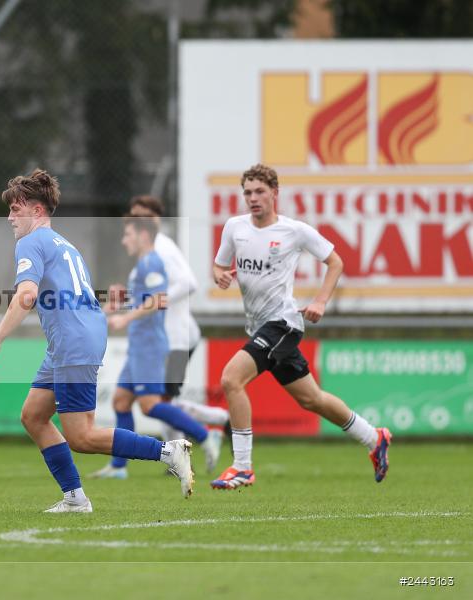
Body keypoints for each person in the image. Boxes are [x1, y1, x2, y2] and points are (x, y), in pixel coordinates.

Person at [0, 169, 194, 512]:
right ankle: (75, 498)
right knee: (33, 416)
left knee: (81, 436)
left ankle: (169, 452)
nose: (10, 218)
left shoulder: (31, 242)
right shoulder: (64, 244)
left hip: (73, 342)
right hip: (74, 339)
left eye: (15, 209)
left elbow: (27, 294)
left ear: (37, 210)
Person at [210, 164, 390, 490]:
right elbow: (220, 265)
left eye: (260, 191)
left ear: (274, 193)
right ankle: (374, 437)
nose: (253, 198)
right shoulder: (234, 227)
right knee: (312, 399)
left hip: (283, 324)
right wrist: (219, 274)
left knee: (230, 378)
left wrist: (320, 301)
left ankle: (242, 467)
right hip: (259, 327)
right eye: (248, 192)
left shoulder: (294, 231)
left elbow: (335, 262)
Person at [91, 215, 221, 480]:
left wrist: (125, 317)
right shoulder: (142, 265)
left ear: (142, 235)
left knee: (150, 405)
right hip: (139, 343)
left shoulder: (151, 262)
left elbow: (158, 300)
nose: (124, 239)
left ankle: (205, 435)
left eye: (128, 234)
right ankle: (118, 467)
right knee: (121, 401)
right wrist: (124, 302)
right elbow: (146, 299)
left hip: (149, 344)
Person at [128, 196, 230, 448]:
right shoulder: (147, 250)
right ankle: (218, 420)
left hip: (177, 338)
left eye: (142, 216)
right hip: (165, 339)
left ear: (155, 219)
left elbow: (189, 283)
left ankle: (185, 451)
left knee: (158, 402)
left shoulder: (162, 247)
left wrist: (155, 301)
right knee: (161, 402)